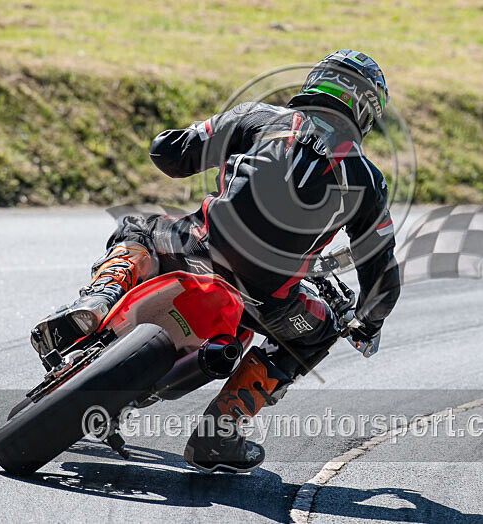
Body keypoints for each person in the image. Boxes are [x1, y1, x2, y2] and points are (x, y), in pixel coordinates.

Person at [30, 49, 401, 473]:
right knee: (317, 334)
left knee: (136, 229)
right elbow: (382, 274)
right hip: (270, 297)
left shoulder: (257, 118)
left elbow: (171, 153)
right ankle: (220, 434)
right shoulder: (369, 182)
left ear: (315, 82)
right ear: (366, 110)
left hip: (197, 247)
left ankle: (98, 302)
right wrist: (369, 324)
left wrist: (178, 139)